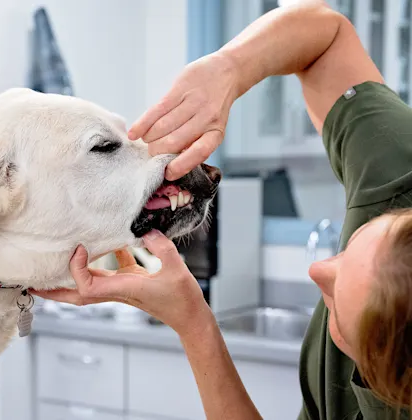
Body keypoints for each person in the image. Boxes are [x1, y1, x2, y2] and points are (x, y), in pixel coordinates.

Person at [33, 1, 412, 418]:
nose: (317, 271)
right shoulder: (397, 172)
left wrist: (193, 324)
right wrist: (229, 70)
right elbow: (327, 34)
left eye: (336, 301)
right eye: (355, 242)